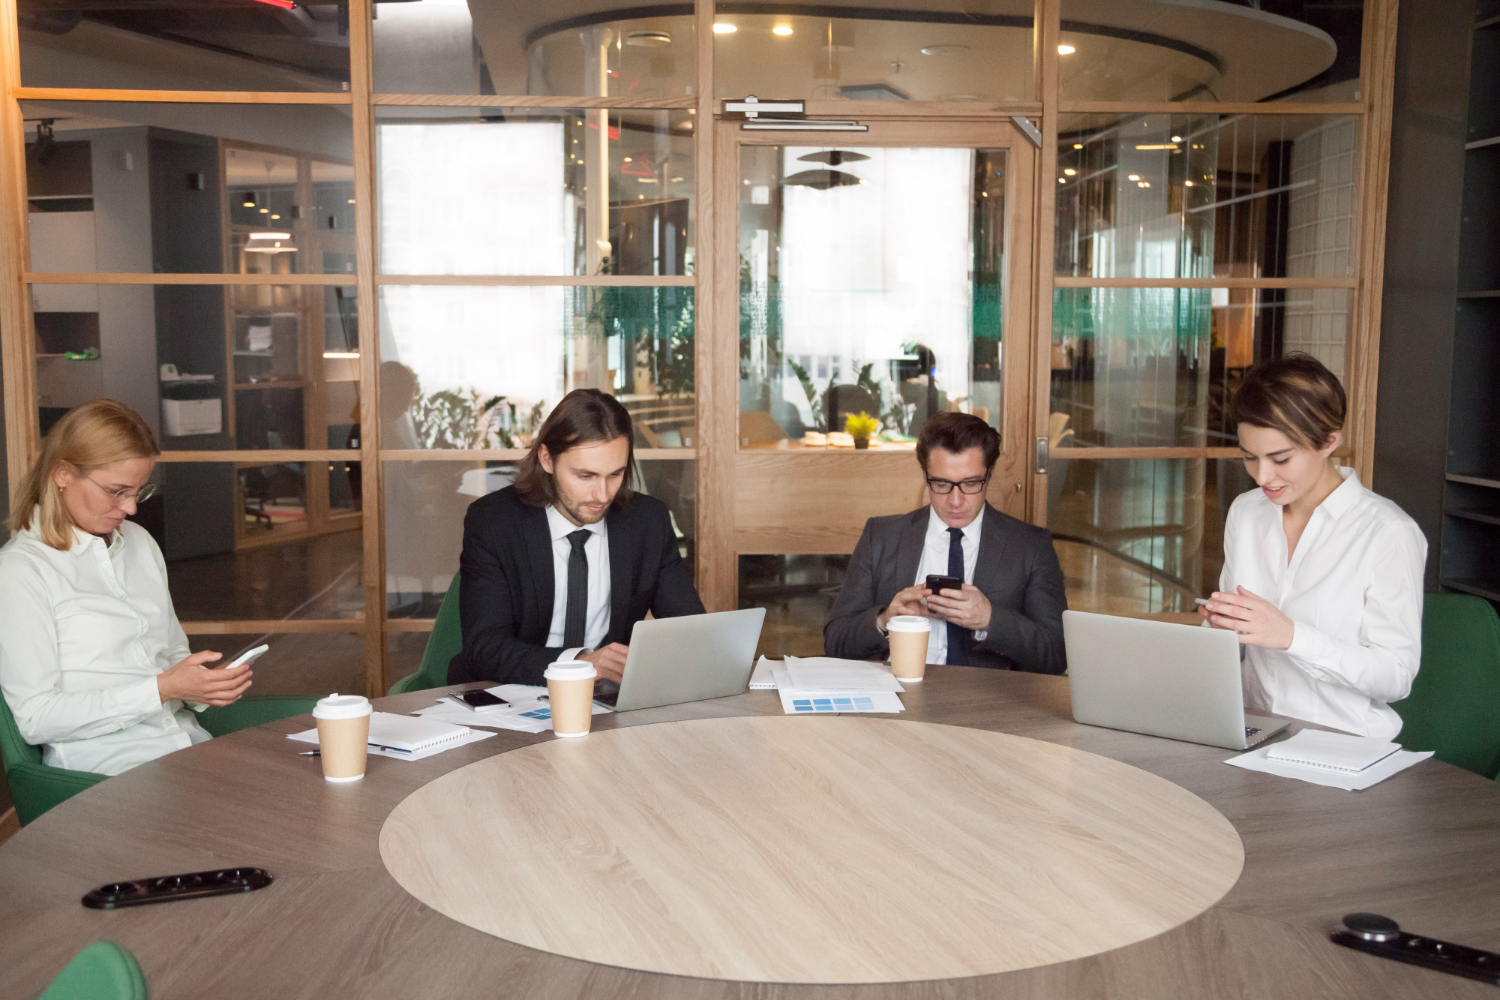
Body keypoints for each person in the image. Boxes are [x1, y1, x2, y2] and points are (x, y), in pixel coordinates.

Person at [0, 400, 253, 777]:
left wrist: (199, 686)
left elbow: (168, 652)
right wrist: (163, 689)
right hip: (107, 774)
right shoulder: (21, 570)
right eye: (116, 491)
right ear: (63, 474)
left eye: (139, 491)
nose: (131, 508)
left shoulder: (137, 542)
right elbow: (37, 719)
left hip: (187, 747)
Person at [1200, 353, 1426, 739]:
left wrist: (1291, 636)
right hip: (1249, 733)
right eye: (1249, 457)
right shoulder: (1246, 513)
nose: (1262, 476)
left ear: (1328, 442)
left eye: (1280, 458)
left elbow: (1396, 676)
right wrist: (1212, 631)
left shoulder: (1388, 533)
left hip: (1340, 747)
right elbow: (1231, 634)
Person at [447, 389, 705, 688]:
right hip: (510, 693)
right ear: (547, 459)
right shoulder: (494, 521)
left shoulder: (648, 522)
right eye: (586, 476)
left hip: (606, 701)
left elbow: (689, 630)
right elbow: (485, 648)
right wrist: (579, 664)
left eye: (615, 474)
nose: (603, 495)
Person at [824, 412, 1067, 674]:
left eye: (970, 483)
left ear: (990, 475)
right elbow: (835, 641)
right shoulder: (881, 536)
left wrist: (990, 620)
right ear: (925, 475)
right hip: (897, 693)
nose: (955, 500)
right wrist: (885, 620)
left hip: (987, 704)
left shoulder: (1030, 546)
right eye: (941, 484)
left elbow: (1056, 654)